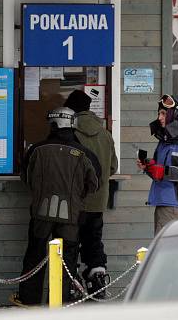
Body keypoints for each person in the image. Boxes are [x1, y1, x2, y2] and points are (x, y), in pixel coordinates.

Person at [14, 108, 100, 307]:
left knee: (35, 254)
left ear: (53, 124)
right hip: (71, 215)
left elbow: (26, 178)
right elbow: (95, 183)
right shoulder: (84, 153)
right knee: (67, 258)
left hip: (41, 213)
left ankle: (29, 299)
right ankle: (62, 300)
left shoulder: (37, 149)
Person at [65, 90, 119, 299]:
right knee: (94, 242)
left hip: (75, 202)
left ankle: (70, 285)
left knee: (70, 244)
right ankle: (97, 281)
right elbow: (112, 166)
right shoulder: (105, 134)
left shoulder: (71, 133)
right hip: (97, 202)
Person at [136, 94, 178, 234]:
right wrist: (149, 168)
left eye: (163, 113)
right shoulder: (165, 139)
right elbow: (160, 172)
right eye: (159, 113)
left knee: (167, 252)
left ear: (175, 114)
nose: (159, 117)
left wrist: (163, 171)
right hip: (163, 201)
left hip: (176, 205)